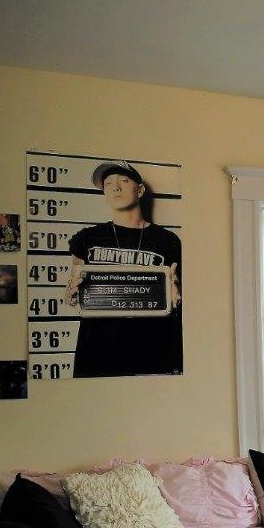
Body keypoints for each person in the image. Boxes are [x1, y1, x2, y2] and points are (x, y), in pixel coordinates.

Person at [64, 161, 183, 377]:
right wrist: (70, 295)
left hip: (153, 352)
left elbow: (183, 298)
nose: (115, 188)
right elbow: (72, 288)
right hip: (97, 353)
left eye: (124, 181)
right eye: (108, 184)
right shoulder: (87, 238)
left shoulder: (168, 241)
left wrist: (178, 299)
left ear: (140, 190)